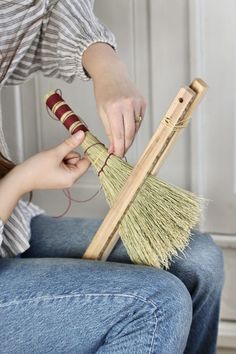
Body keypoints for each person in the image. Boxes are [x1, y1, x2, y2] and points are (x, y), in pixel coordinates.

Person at [0, 1, 224, 353]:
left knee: (199, 261)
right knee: (153, 304)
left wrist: (106, 66)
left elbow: (37, 12)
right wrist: (18, 181)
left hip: (7, 230)